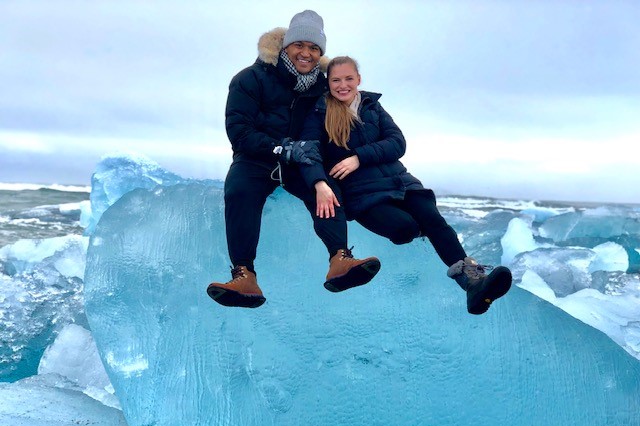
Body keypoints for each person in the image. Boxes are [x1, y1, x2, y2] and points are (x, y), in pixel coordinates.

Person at [294, 56, 512, 315]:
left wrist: (358, 158)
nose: (343, 85)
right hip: (362, 193)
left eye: (349, 79)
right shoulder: (321, 112)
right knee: (404, 228)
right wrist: (318, 182)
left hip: (401, 181)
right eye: (336, 80)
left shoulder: (371, 106)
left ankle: (472, 284)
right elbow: (309, 151)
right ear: (327, 83)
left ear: (359, 80)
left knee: (433, 219)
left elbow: (398, 143)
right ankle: (438, 249)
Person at [206, 13, 381, 309]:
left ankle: (340, 259)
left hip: (300, 160)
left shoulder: (322, 86)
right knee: (238, 192)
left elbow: (348, 108)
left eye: (314, 48)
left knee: (326, 190)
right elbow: (239, 132)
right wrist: (280, 148)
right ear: (285, 46)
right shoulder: (250, 78)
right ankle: (244, 275)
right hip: (257, 158)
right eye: (299, 44)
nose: (306, 53)